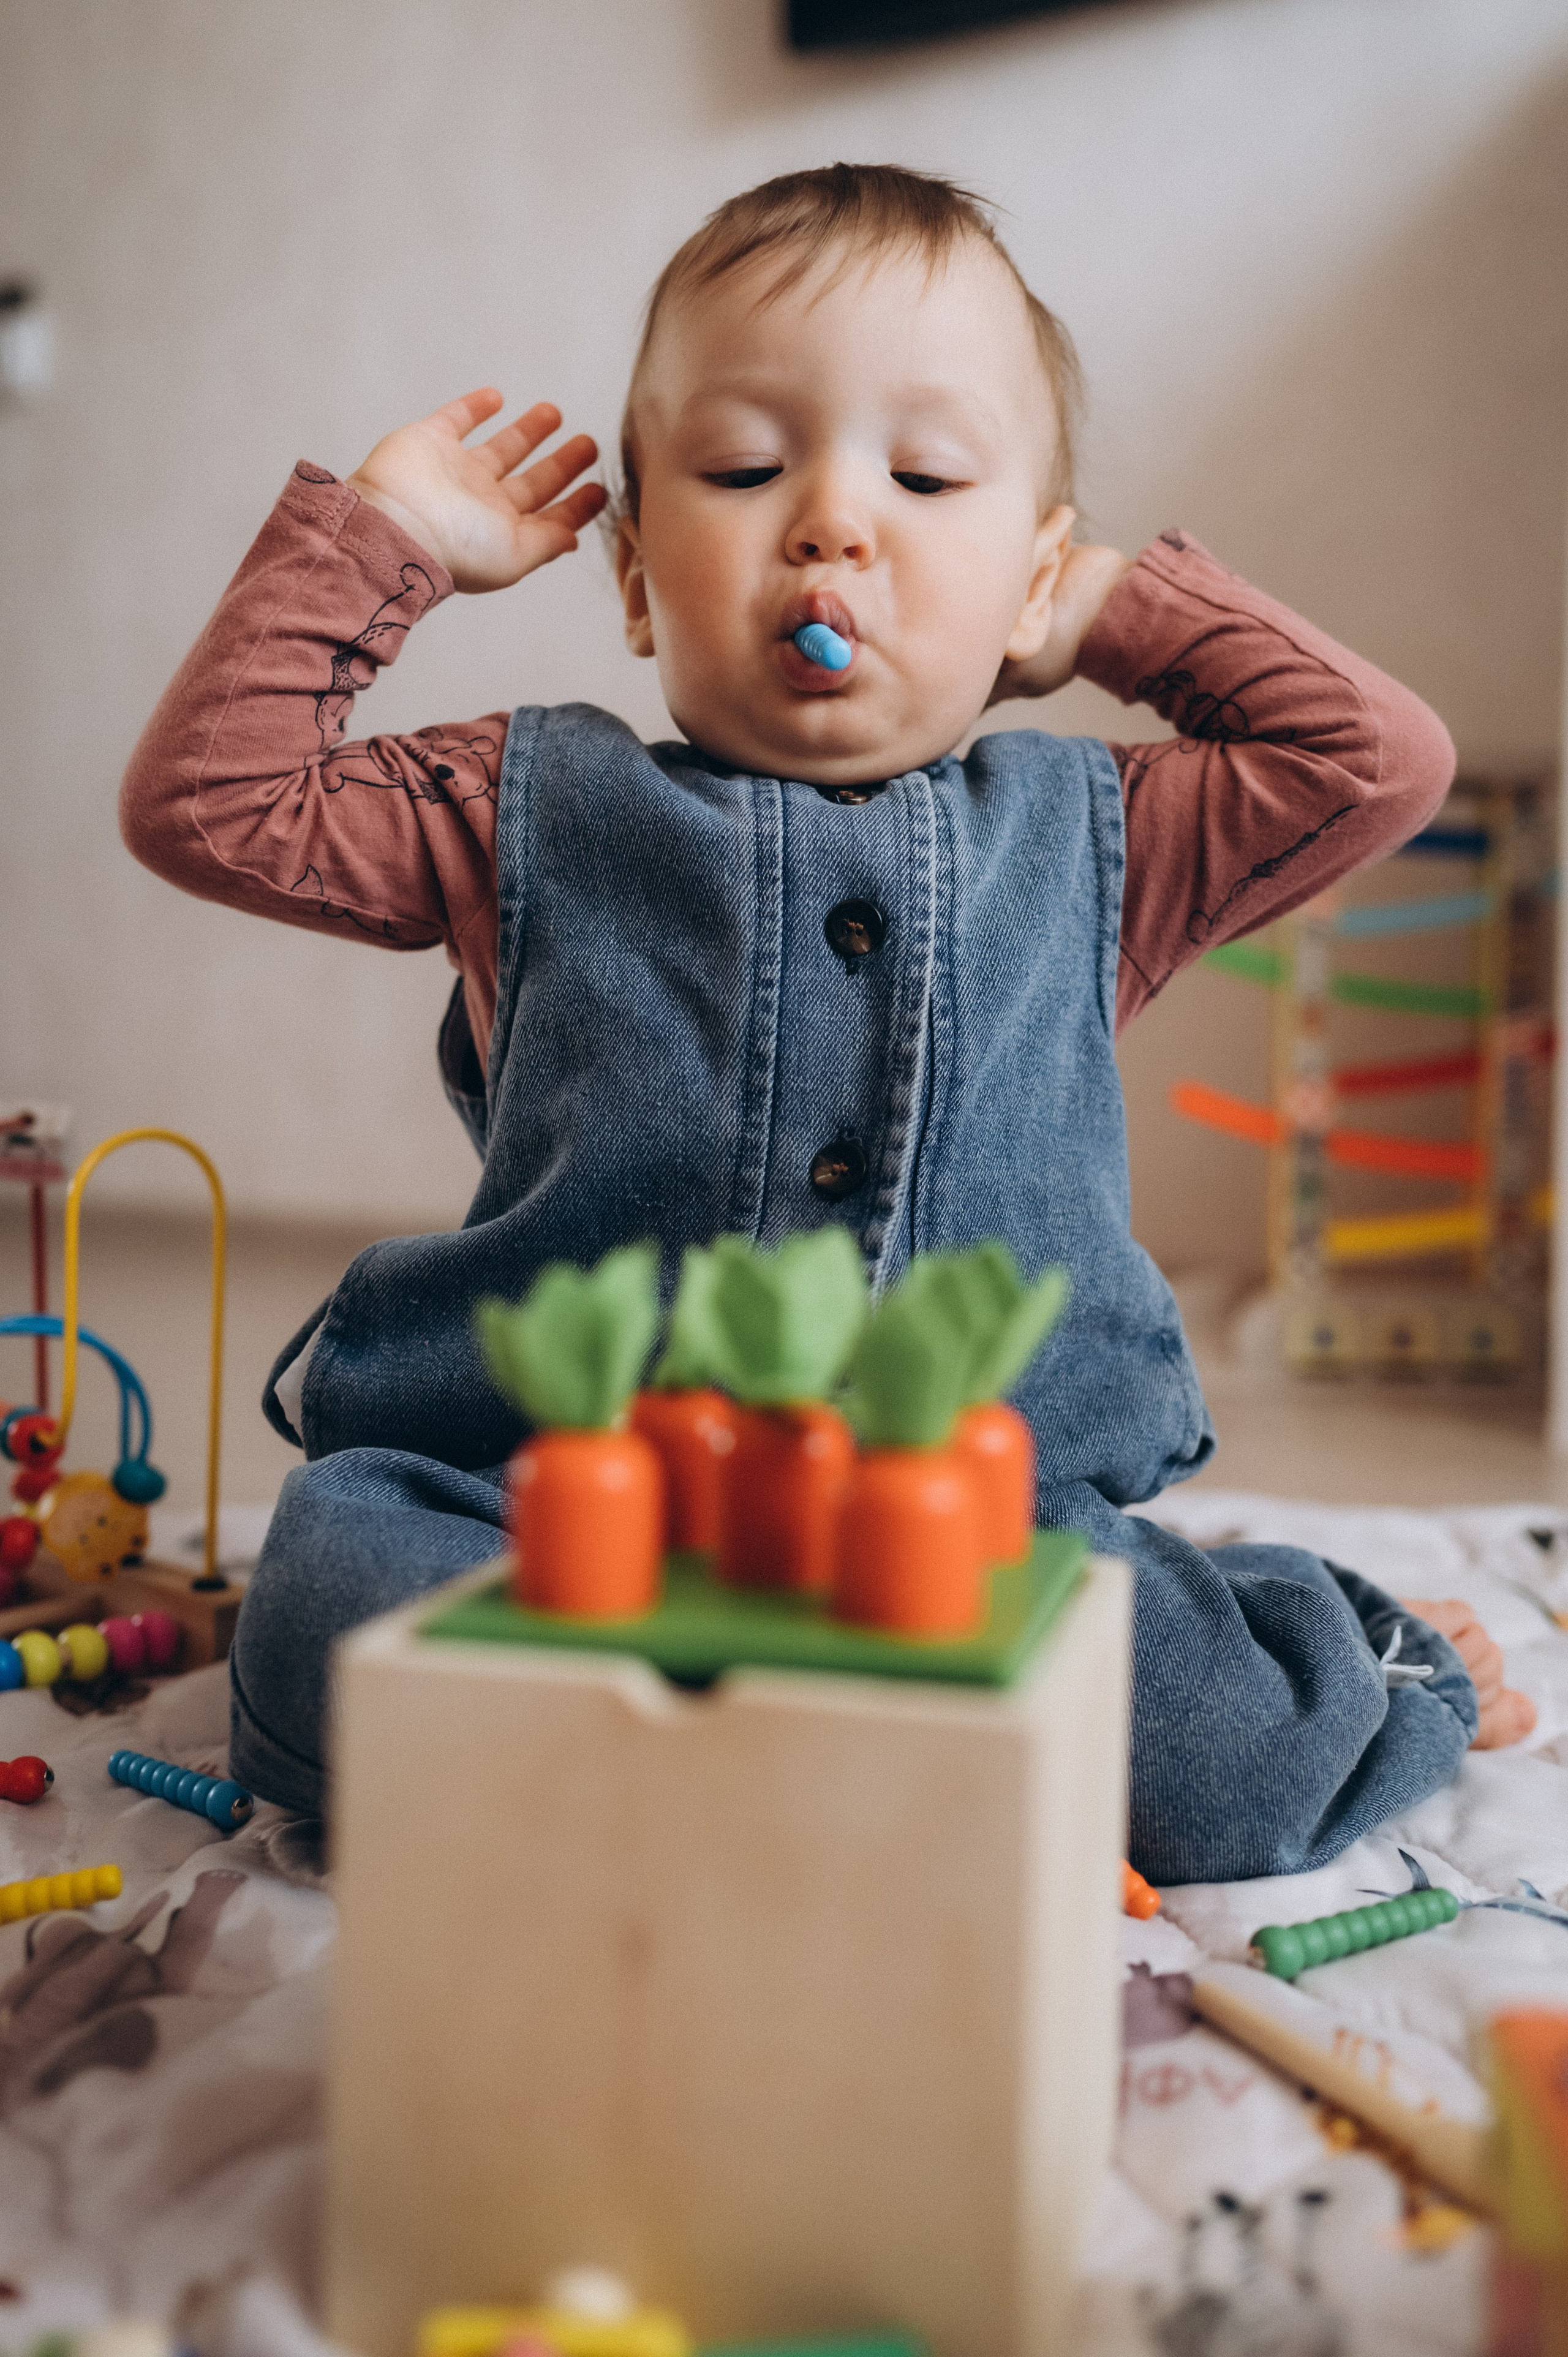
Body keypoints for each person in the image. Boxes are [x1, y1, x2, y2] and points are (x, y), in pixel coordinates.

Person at [121, 165, 1534, 1866]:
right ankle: (776, 1744)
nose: (832, 523)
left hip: (964, 1525)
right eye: (742, 467)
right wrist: (393, 542)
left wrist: (1108, 612)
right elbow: (210, 801)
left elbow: (1381, 763)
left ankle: (1338, 1645)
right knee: (326, 1624)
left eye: (928, 476)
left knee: (1231, 1760)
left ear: (1028, 580)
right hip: (559, 1496)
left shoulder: (1102, 843)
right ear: (636, 583)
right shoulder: (529, 809)